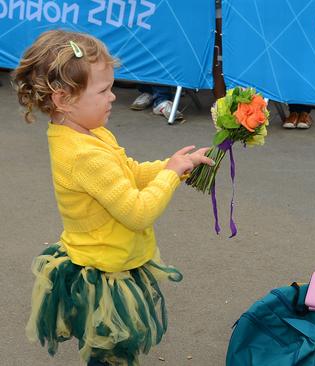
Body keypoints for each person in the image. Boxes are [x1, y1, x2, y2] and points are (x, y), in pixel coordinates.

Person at [13, 30, 214, 365]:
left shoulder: (90, 132)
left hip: (113, 257)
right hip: (105, 274)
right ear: (63, 100)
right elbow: (137, 212)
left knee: (112, 351)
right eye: (104, 90)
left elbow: (128, 171)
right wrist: (169, 176)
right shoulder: (82, 155)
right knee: (111, 355)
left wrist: (173, 166)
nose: (112, 98)